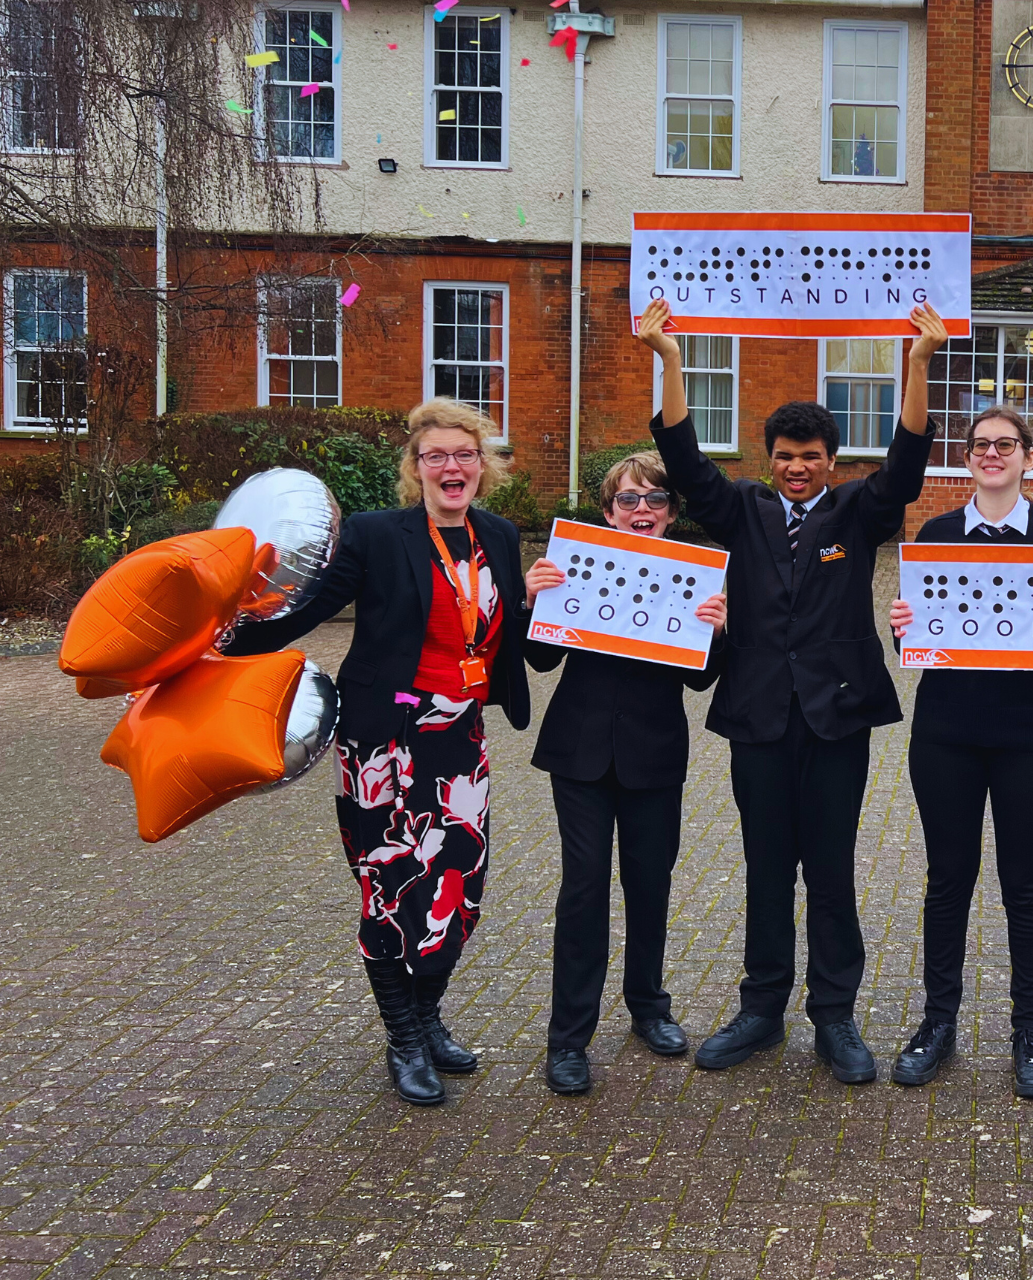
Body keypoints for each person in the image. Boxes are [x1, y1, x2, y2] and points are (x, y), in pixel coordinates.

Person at [638, 298, 948, 1085]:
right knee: (767, 864)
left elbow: (907, 464)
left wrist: (917, 365)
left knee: (833, 866)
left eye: (810, 454)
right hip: (759, 716)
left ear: (833, 461)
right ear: (769, 456)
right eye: (783, 454)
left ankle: (835, 1015)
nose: (796, 466)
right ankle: (762, 1008)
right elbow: (683, 463)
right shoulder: (739, 509)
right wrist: (671, 361)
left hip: (838, 716)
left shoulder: (857, 509)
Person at [229, 399, 532, 1107]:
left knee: (459, 888)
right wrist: (216, 640)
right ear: (415, 467)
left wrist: (531, 605)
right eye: (436, 455)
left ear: (482, 466)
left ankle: (429, 1016)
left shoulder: (500, 535)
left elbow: (506, 633)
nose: (451, 466)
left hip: (460, 740)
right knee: (392, 889)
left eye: (464, 453)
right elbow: (302, 610)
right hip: (384, 744)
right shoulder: (374, 535)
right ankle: (403, 1036)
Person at [884, 405, 1033, 1098]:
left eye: (1005, 444)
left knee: (1026, 885)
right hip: (947, 731)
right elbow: (915, 644)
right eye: (981, 445)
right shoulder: (939, 533)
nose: (992, 453)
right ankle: (937, 1022)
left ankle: (1029, 1029)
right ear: (968, 457)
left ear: (1029, 456)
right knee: (948, 881)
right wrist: (901, 626)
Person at [521, 454, 728, 1097]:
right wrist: (534, 597)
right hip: (579, 752)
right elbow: (539, 656)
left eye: (656, 501)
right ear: (608, 512)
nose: (642, 511)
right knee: (583, 888)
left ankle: (648, 1006)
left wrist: (718, 631)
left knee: (649, 883)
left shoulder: (695, 574)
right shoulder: (576, 566)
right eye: (629, 501)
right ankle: (568, 1039)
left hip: (654, 751)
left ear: (672, 513)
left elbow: (700, 676)